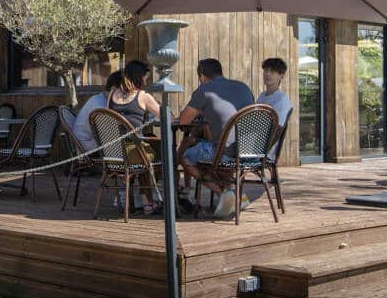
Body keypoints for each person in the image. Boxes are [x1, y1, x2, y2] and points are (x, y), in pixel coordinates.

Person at [177, 58, 254, 217]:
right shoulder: (244, 88)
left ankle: (225, 194)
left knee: (187, 157)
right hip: (248, 153)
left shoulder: (205, 89)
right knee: (213, 152)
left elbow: (183, 120)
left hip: (224, 154)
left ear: (202, 76)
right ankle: (236, 195)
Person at [107, 60, 163, 215]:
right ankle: (148, 202)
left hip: (111, 153)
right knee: (156, 154)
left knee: (144, 147)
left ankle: (130, 196)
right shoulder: (143, 96)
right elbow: (168, 118)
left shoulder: (112, 94)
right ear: (140, 77)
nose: (147, 81)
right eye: (146, 78)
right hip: (132, 155)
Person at [73, 70, 122, 153]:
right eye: (125, 92)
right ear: (113, 89)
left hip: (90, 143)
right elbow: (109, 136)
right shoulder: (100, 108)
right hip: (89, 148)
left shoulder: (100, 99)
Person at [256, 57, 293, 160]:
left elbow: (277, 129)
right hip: (252, 142)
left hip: (263, 150)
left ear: (281, 76)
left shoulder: (282, 100)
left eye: (272, 71)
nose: (267, 74)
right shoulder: (262, 96)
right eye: (265, 70)